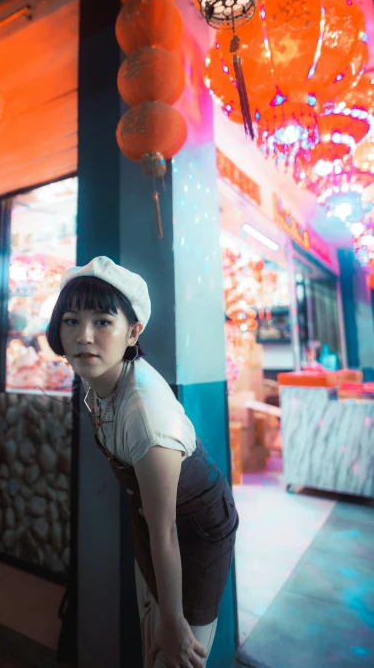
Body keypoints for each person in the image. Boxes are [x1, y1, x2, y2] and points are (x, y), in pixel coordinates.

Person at [47, 256, 238, 668]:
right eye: (71, 320)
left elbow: (167, 530)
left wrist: (174, 621)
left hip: (196, 528)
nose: (83, 336)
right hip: (151, 517)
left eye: (102, 322)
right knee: (150, 625)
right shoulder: (94, 375)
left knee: (181, 651)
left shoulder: (148, 415)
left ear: (132, 332)